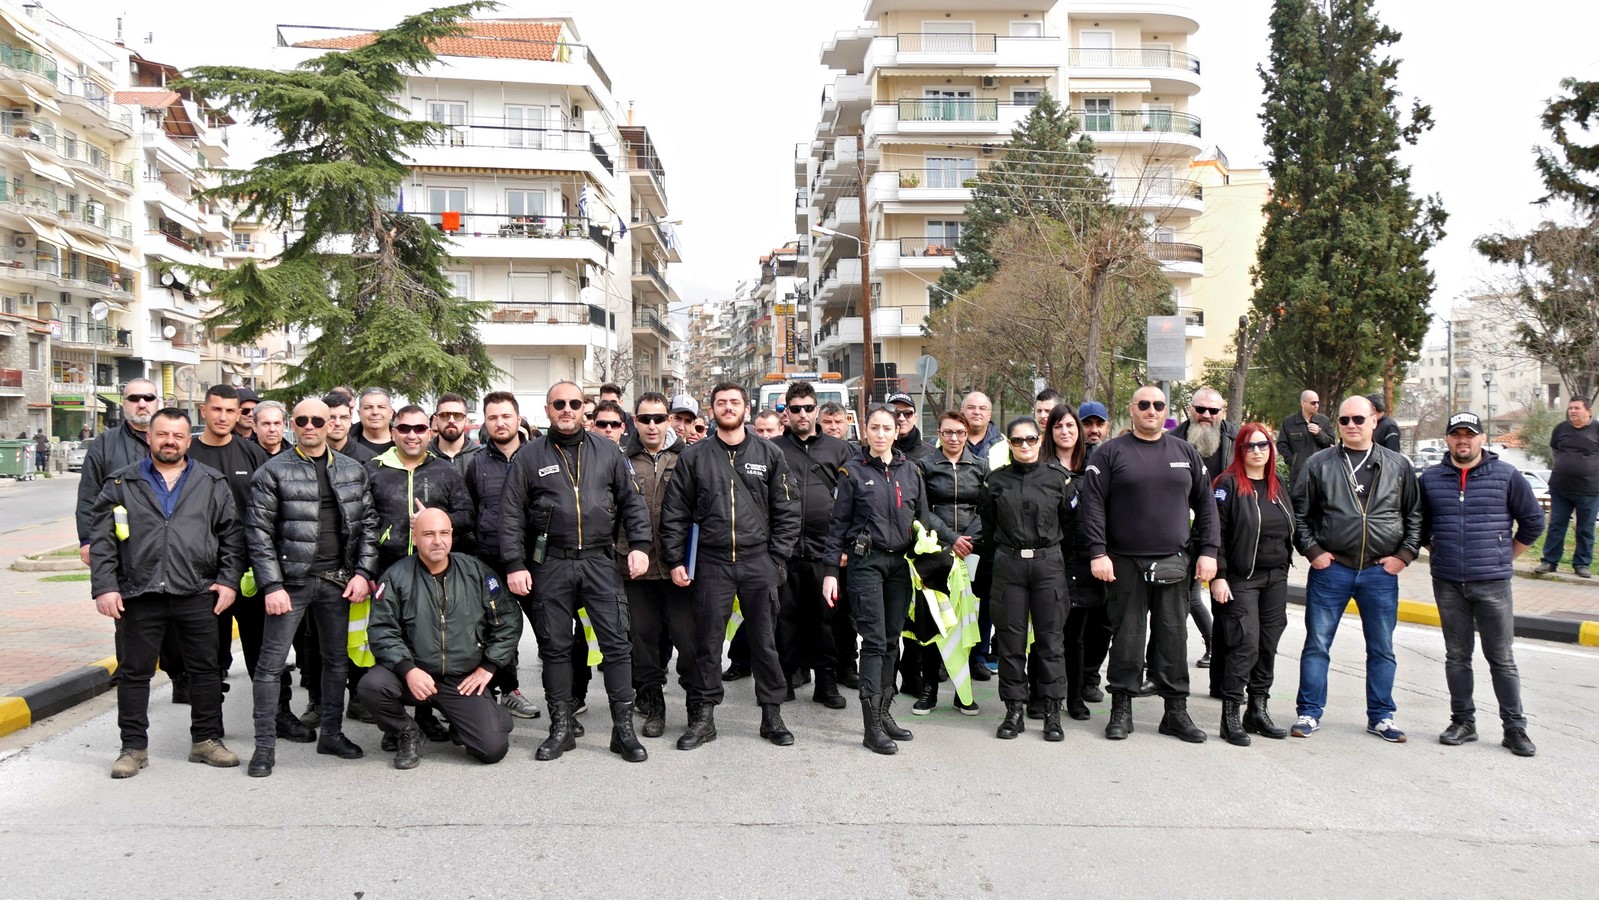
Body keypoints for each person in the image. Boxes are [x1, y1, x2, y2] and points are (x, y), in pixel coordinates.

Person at [500, 381, 653, 763]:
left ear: (583, 409)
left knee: (617, 645)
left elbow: (632, 503)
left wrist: (640, 546)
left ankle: (624, 732)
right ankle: (561, 729)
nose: (566, 409)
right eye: (558, 404)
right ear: (547, 410)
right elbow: (510, 516)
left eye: (573, 403)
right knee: (555, 648)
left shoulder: (609, 451)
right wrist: (515, 564)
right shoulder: (528, 456)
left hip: (600, 562)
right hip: (550, 562)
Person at [90, 408, 245, 778]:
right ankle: (133, 748)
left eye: (177, 435)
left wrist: (228, 580)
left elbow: (232, 537)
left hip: (196, 590)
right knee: (134, 673)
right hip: (139, 594)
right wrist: (105, 586)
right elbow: (103, 541)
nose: (170, 441)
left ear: (187, 440)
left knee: (206, 670)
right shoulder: (120, 483)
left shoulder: (211, 481)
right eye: (163, 434)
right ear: (149, 437)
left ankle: (206, 741)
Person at [660, 381, 802, 751]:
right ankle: (704, 716)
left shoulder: (769, 454)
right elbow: (675, 513)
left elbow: (788, 511)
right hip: (711, 562)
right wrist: (676, 559)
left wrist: (777, 560)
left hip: (758, 561)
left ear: (746, 409)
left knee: (765, 643)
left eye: (734, 402)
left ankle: (772, 713)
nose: (728, 407)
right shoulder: (694, 457)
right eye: (721, 402)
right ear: (713, 409)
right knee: (707, 644)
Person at [244, 398, 380, 777]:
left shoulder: (353, 470)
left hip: (338, 581)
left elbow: (368, 525)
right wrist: (271, 584)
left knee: (336, 662)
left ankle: (332, 735)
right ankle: (264, 748)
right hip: (290, 584)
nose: (309, 426)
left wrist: (362, 574)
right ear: (293, 423)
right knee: (269, 666)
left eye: (317, 420)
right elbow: (257, 534)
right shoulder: (273, 471)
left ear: (331, 423)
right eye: (301, 419)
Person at [1081, 385, 1220, 744]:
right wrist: (1098, 552)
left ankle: (1175, 712)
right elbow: (1092, 506)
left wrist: (1209, 551)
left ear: (1167, 411)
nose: (1151, 410)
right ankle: (1121, 709)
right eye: (1144, 405)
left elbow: (1206, 506)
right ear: (1132, 409)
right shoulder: (1110, 454)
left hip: (1175, 561)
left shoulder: (1185, 452)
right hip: (1123, 562)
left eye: (1159, 405)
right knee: (1128, 637)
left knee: (1173, 635)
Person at [1290, 395, 1422, 742]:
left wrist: (1404, 556)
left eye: (1358, 420)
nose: (1351, 425)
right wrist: (1312, 551)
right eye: (1345, 420)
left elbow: (1415, 515)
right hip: (1332, 569)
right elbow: (1299, 514)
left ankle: (1381, 716)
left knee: (1381, 648)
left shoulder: (1398, 465)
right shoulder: (1319, 464)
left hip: (1380, 573)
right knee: (1317, 644)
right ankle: (1308, 712)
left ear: (1374, 421)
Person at [824, 406, 954, 754]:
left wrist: (942, 549)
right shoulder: (851, 472)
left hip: (900, 566)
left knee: (893, 639)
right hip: (866, 563)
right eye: (874, 428)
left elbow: (923, 518)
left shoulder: (911, 471)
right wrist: (829, 573)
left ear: (897, 432)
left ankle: (884, 714)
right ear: (864, 431)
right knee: (874, 641)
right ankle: (871, 726)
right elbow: (837, 528)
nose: (881, 434)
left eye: (887, 428)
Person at [1420, 412, 1544, 757]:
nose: (1463, 440)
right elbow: (1419, 526)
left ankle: (1514, 728)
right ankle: (1463, 721)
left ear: (1482, 438)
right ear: (1447, 439)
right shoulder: (1430, 479)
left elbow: (1533, 522)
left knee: (1501, 658)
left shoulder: (1507, 476)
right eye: (1456, 434)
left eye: (1469, 434)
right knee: (1457, 656)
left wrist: (1506, 555)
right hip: (1447, 582)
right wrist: (1439, 550)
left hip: (1493, 582)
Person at [360, 508, 521, 769]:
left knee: (492, 750)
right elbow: (381, 630)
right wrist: (408, 670)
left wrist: (488, 666)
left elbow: (508, 619)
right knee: (371, 686)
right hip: (414, 675)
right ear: (415, 538)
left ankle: (489, 717)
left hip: (462, 679)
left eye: (444, 533)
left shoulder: (476, 571)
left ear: (452, 535)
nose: (438, 540)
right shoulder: (396, 577)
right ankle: (407, 732)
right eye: (429, 534)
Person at [186, 386, 300, 738]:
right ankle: (208, 729)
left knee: (265, 651)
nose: (223, 417)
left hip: (251, 571)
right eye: (216, 409)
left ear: (240, 415)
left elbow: (274, 509)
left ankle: (279, 715)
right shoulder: (186, 452)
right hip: (202, 573)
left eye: (230, 411)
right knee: (207, 658)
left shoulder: (252, 454)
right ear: (203, 410)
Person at [979, 416, 1077, 742]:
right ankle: (1014, 710)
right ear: (1008, 444)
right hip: (1009, 565)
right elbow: (989, 526)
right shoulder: (995, 482)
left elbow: (1070, 526)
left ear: (1039, 441)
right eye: (1017, 440)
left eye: (1030, 439)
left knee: (1051, 642)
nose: (1024, 445)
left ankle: (1051, 712)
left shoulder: (1059, 479)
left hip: (1048, 563)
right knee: (1010, 642)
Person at [1209, 424, 1296, 745]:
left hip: (1276, 578)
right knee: (1244, 643)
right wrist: (1218, 575)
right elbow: (1214, 533)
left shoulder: (1277, 485)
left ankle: (1257, 709)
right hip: (1241, 579)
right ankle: (1230, 715)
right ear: (1240, 450)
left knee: (1267, 645)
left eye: (1263, 445)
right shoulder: (1227, 485)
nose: (1257, 451)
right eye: (1249, 446)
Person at [770, 382, 854, 711]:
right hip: (784, 552)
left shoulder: (839, 449)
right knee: (784, 619)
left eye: (808, 408)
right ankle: (787, 676)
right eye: (795, 409)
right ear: (786, 413)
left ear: (817, 410)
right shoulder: (773, 449)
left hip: (826, 552)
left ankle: (827, 682)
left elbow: (853, 501)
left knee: (825, 620)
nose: (802, 414)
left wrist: (845, 546)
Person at [620, 392, 696, 738]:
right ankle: (654, 703)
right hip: (635, 567)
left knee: (689, 638)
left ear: (669, 420)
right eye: (644, 418)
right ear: (634, 421)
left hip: (679, 564)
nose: (652, 425)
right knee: (644, 640)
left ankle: (697, 704)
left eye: (659, 418)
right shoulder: (620, 459)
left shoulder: (690, 457)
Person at [465, 392, 541, 720]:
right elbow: (469, 511)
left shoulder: (538, 456)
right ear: (485, 421)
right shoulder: (476, 464)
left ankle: (567, 697)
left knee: (552, 631)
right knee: (498, 630)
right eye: (493, 417)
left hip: (538, 561)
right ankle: (508, 690)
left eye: (506, 416)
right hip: (492, 562)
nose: (500, 422)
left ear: (518, 418)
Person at [910, 410, 986, 716]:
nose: (954, 438)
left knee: (967, 621)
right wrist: (951, 539)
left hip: (972, 551)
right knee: (933, 620)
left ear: (968, 434)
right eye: (947, 432)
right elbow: (923, 510)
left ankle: (962, 692)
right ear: (938, 434)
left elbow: (988, 508)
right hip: (936, 551)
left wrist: (967, 540)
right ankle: (929, 688)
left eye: (960, 433)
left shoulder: (981, 466)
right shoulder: (924, 466)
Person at [1043, 404, 1106, 722]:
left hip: (1085, 561)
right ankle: (1042, 694)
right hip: (1051, 560)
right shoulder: (1042, 467)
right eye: (1058, 427)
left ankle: (1076, 696)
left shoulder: (1095, 465)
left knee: (1078, 635)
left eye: (1070, 426)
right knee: (1048, 632)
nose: (1065, 431)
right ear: (1050, 432)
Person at [1171, 388, 1232, 670]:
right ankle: (1166, 661)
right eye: (1200, 409)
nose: (1206, 415)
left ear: (1223, 412)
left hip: (1221, 536)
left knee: (1197, 599)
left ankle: (1217, 656)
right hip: (1178, 536)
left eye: (1213, 410)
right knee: (1182, 599)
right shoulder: (1171, 440)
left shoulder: (1236, 441)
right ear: (1190, 409)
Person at [77, 379, 160, 567]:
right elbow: (89, 494)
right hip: (119, 547)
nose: (141, 404)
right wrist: (87, 540)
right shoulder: (105, 443)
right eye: (134, 398)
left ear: (157, 402)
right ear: (124, 403)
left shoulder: (173, 439)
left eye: (148, 398)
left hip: (169, 543)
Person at [1536, 397, 1597, 579]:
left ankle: (1582, 564)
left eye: (1577, 408)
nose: (1572, 411)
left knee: (1585, 528)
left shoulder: (1597, 429)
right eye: (1570, 408)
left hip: (1589, 489)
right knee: (1556, 525)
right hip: (1560, 488)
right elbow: (1555, 450)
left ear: (1588, 411)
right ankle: (1549, 561)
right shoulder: (1561, 429)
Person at [1278, 390, 1334, 486]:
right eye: (1313, 403)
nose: (1316, 405)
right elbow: (1282, 444)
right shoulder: (1289, 422)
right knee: (1298, 499)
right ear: (1303, 403)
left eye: (1317, 402)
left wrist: (1319, 434)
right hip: (1298, 473)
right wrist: (1292, 461)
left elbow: (1331, 443)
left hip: (1320, 471)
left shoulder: (1324, 421)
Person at [428, 392, 481, 476]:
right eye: (444, 415)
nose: (451, 420)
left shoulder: (480, 457)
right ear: (435, 420)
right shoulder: (423, 456)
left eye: (458, 415)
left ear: (466, 421)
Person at [325, 392, 375, 464]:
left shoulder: (369, 460)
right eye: (331, 417)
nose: (337, 423)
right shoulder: (307, 456)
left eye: (343, 417)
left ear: (350, 420)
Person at [355, 387, 395, 454]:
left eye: (381, 407)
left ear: (391, 413)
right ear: (359, 414)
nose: (375, 412)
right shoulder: (345, 446)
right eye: (368, 407)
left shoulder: (407, 444)